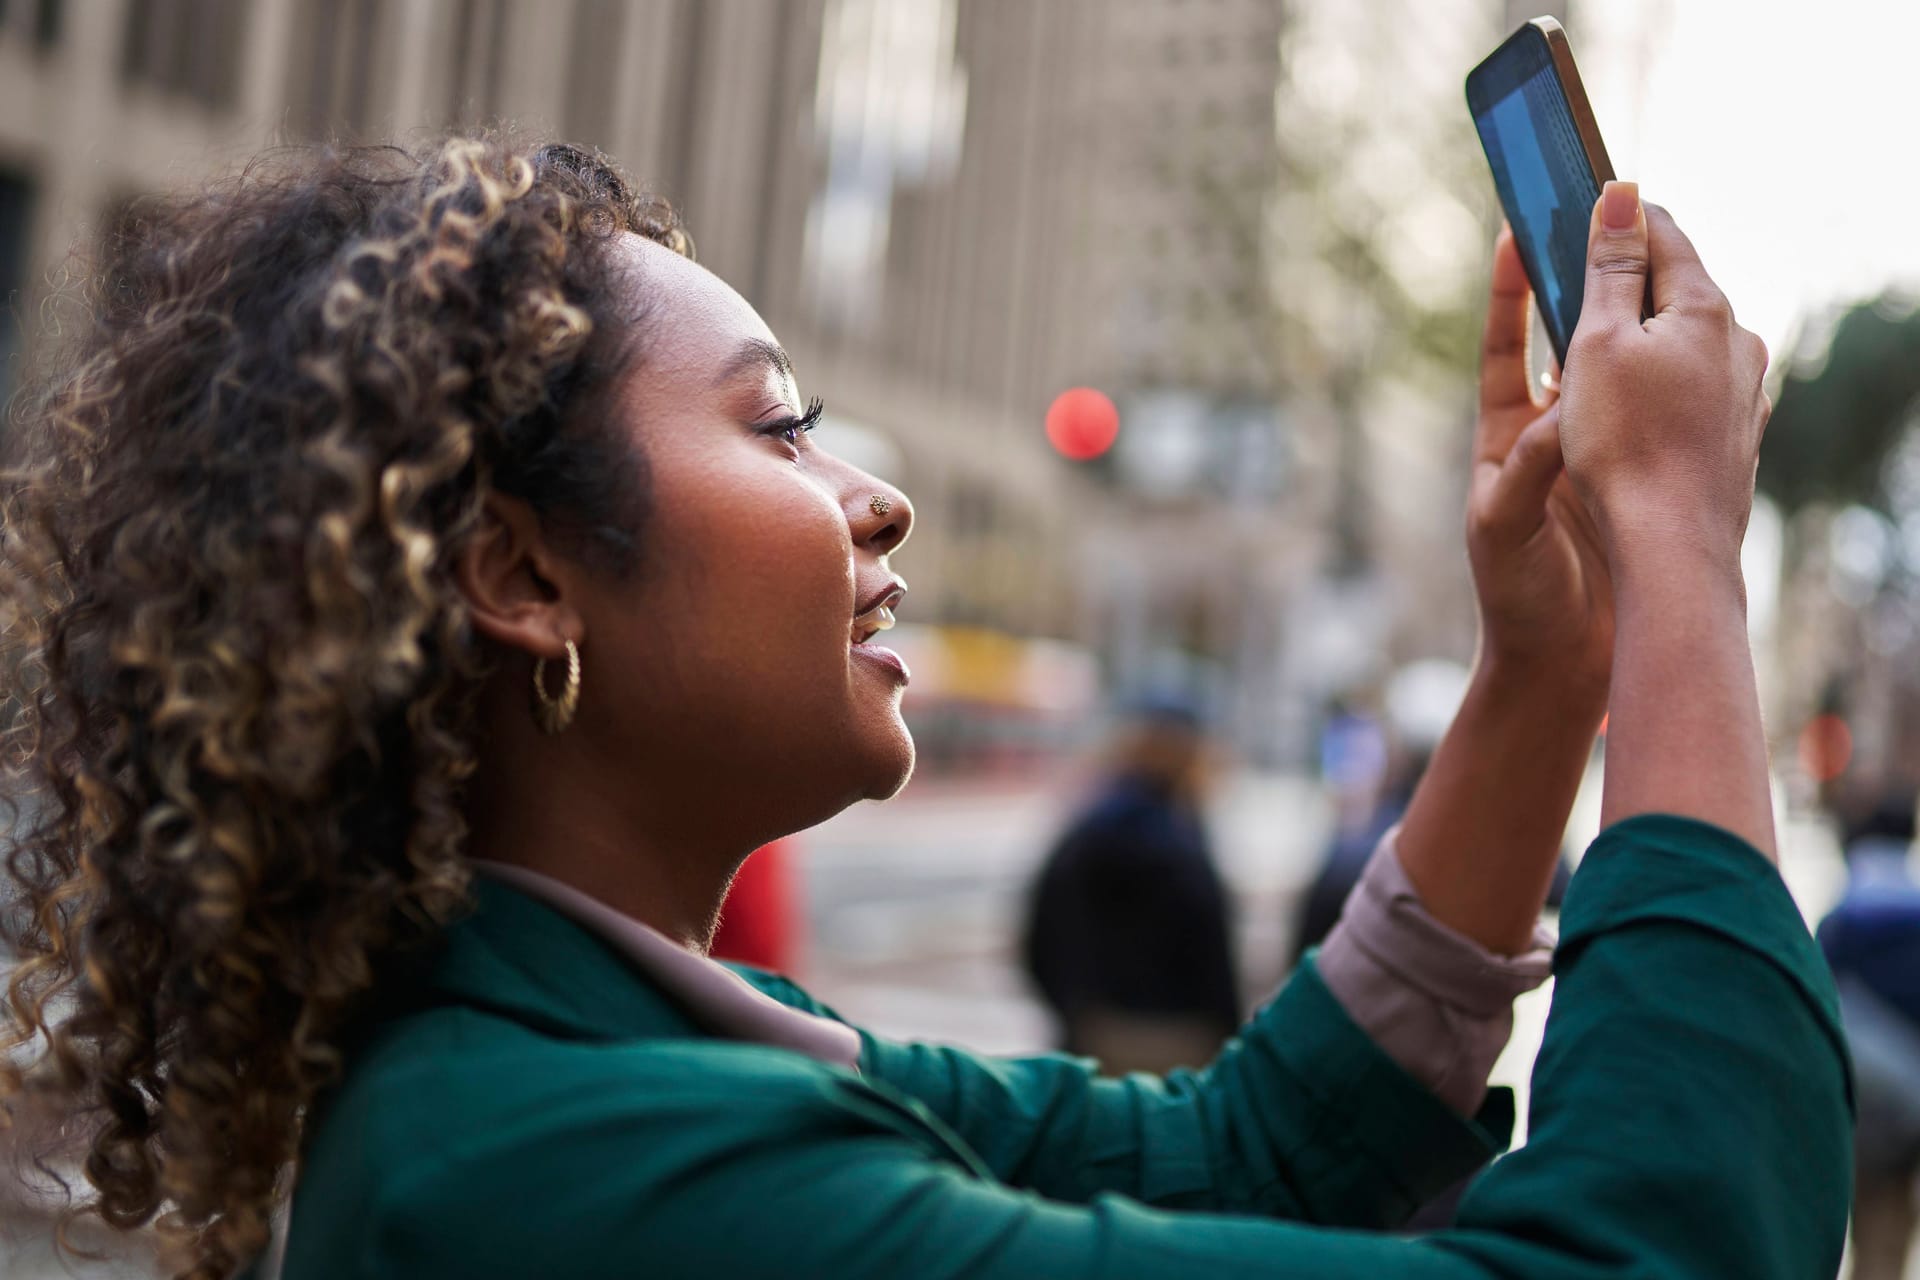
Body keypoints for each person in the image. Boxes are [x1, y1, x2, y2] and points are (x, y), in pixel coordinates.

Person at [0, 136, 1843, 1280]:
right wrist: (1687, 551)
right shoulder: (571, 1171)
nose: (874, 496)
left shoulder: (599, 1059)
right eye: (779, 424)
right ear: (523, 577)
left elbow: (1258, 1154)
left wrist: (1553, 670)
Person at [1022, 696, 1240, 1073]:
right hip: (1178, 1040)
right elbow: (1213, 956)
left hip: (1094, 1033)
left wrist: (1074, 1014)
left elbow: (1041, 936)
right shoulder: (1183, 839)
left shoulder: (1087, 829)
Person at [1818, 791, 1920, 1280]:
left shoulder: (1842, 919)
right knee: (1888, 1234)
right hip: (1909, 1103)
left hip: (1855, 1097)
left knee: (1856, 1225)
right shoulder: (1916, 913)